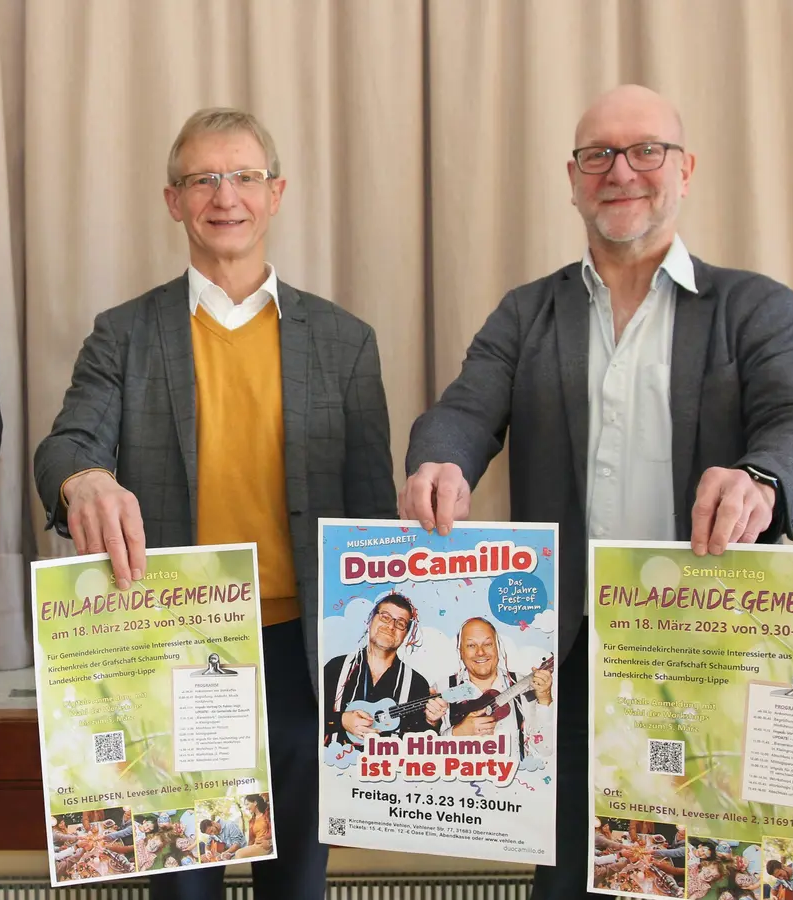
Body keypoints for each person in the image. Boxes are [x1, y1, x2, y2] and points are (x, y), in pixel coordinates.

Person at [401, 84, 793, 900]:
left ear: (686, 169)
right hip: (566, 661)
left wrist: (761, 478)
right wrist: (440, 462)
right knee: (570, 879)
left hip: (713, 652)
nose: (622, 172)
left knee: (717, 880)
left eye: (646, 150)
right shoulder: (526, 313)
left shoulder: (756, 309)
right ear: (573, 179)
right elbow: (464, 409)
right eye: (598, 155)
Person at [34, 106, 396, 900]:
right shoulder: (124, 335)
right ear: (173, 200)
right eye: (203, 179)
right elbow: (65, 446)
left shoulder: (344, 342)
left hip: (308, 657)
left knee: (297, 883)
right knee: (182, 884)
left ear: (277, 193)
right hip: (174, 650)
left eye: (244, 177)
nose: (224, 196)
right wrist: (82, 480)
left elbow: (377, 517)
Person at [322, 594, 445, 744]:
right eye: (385, 617)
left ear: (405, 634)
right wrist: (340, 720)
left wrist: (432, 722)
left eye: (400, 623)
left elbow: (421, 743)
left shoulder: (416, 684)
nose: (391, 626)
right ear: (370, 620)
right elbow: (307, 716)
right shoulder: (336, 667)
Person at [439, 618, 553, 763]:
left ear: (497, 647)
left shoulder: (525, 685)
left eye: (487, 644)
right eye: (471, 645)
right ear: (460, 651)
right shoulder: (442, 689)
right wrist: (457, 733)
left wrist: (544, 699)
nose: (480, 652)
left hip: (511, 782)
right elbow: (421, 754)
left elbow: (544, 749)